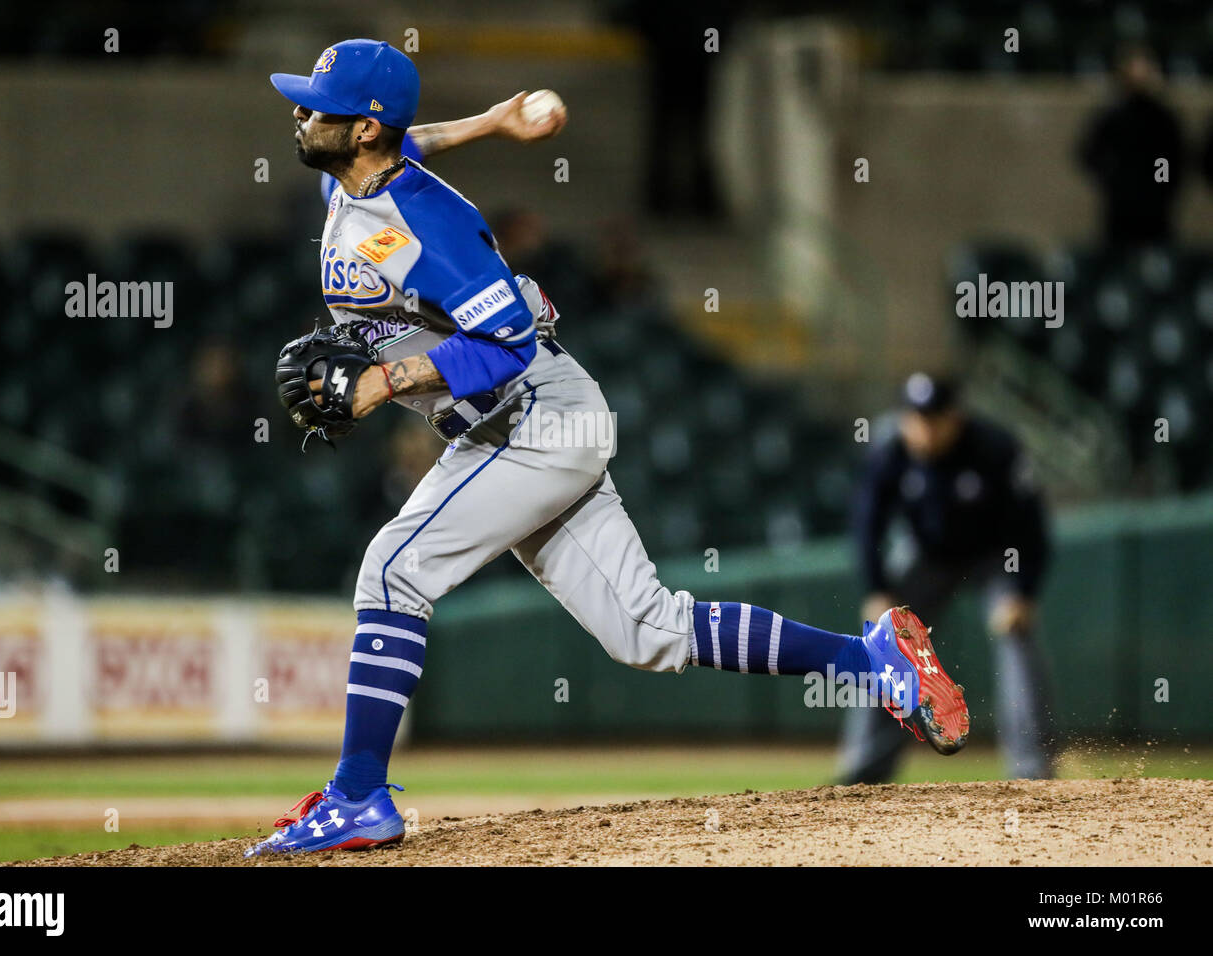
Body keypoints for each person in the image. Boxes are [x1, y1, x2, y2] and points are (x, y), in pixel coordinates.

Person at [246, 39, 969, 857]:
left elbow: (510, 339)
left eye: (317, 106)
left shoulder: (430, 225)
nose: (301, 115)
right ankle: (876, 661)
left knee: (391, 569)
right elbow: (415, 140)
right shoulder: (355, 170)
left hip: (536, 417)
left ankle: (358, 796)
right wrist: (491, 122)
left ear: (365, 126)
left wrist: (384, 381)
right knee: (647, 632)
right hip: (517, 424)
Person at [840, 373, 1055, 785]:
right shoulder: (890, 450)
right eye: (917, 417)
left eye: (935, 418)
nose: (925, 428)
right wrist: (876, 589)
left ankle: (1033, 770)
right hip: (927, 558)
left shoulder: (994, 448)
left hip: (995, 557)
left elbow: (1033, 529)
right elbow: (867, 525)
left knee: (1018, 637)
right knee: (885, 640)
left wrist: (1023, 593)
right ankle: (864, 773)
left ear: (955, 418)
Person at [1077, 46, 1186, 247]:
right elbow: (1089, 154)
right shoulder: (1112, 115)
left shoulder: (1162, 118)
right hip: (1121, 207)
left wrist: (1162, 184)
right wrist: (1113, 178)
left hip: (1155, 207)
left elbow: (1175, 158)